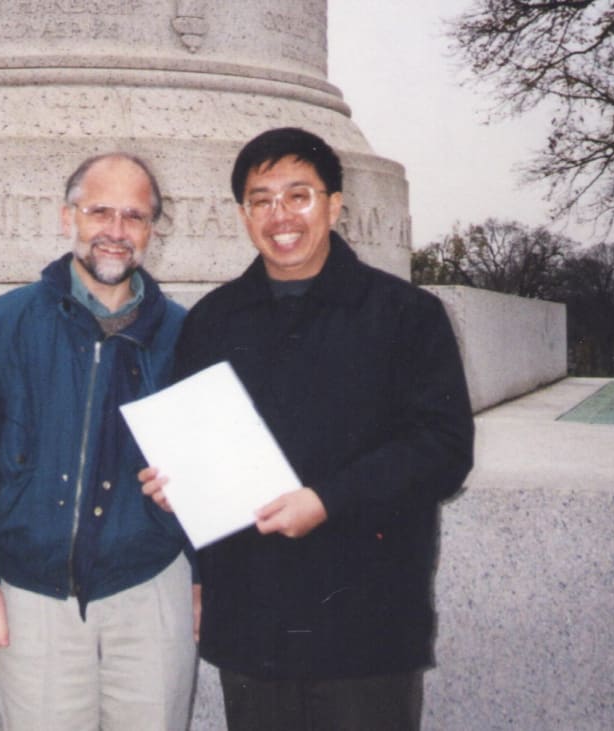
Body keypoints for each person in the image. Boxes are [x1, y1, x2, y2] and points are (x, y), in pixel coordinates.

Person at [142, 128, 474, 730]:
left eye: (299, 195)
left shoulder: (407, 315)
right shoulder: (211, 322)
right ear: (243, 214)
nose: (280, 216)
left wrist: (327, 500)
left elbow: (443, 450)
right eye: (261, 199)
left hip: (365, 624)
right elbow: (195, 447)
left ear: (335, 204)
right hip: (252, 622)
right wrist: (176, 486)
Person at [0, 153, 197, 730]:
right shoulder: (3, 324)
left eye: (134, 216)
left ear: (152, 230)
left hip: (150, 588)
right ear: (67, 217)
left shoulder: (185, 335)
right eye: (100, 211)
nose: (116, 231)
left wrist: (203, 577)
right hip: (34, 595)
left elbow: (214, 469)